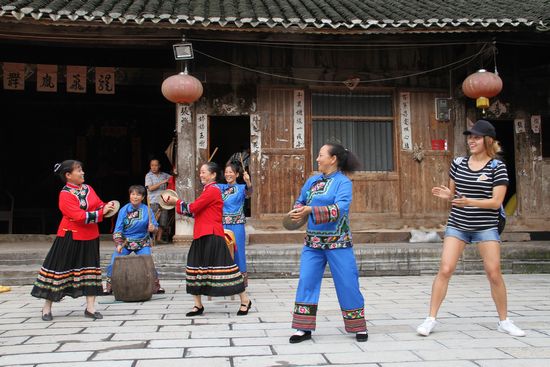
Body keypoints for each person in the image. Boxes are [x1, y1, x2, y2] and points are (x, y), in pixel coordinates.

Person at [416, 119, 525, 337]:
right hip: (458, 224)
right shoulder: (458, 163)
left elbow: (496, 202)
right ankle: (430, 319)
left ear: (488, 140)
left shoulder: (497, 166)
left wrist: (470, 201)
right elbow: (454, 195)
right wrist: (449, 195)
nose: (471, 141)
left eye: (476, 137)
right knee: (445, 269)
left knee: (493, 273)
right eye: (470, 137)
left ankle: (504, 320)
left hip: (485, 226)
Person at [288, 143, 368, 343]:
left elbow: (340, 209)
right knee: (306, 281)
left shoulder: (343, 183)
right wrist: (298, 210)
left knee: (348, 283)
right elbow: (301, 200)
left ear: (333, 159)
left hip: (338, 242)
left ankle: (358, 326)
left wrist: (310, 211)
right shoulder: (312, 181)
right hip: (312, 243)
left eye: (321, 155)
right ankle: (302, 328)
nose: (317, 159)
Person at [161, 162, 252, 317]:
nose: (201, 175)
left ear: (213, 175)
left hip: (213, 234)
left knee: (228, 268)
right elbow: (195, 212)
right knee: (195, 268)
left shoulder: (213, 191)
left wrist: (175, 202)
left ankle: (245, 300)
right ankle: (198, 305)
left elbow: (193, 208)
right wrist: (180, 205)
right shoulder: (210, 190)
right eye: (200, 172)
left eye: (204, 172)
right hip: (202, 233)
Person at [31, 160, 116, 321]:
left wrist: (107, 206)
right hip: (70, 235)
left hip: (90, 235)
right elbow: (77, 216)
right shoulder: (65, 194)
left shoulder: (88, 189)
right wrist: (100, 213)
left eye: (82, 169)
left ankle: (90, 308)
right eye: (79, 170)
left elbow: (98, 205)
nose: (83, 172)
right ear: (68, 175)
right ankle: (46, 307)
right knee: (57, 270)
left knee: (91, 270)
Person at [103, 185, 165, 295]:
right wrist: (118, 243)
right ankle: (109, 286)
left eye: (138, 194)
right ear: (129, 195)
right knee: (114, 261)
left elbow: (155, 228)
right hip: (125, 242)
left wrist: (153, 228)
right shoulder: (123, 210)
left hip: (142, 241)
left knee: (148, 262)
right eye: (133, 194)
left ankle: (155, 286)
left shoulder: (147, 210)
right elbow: (118, 229)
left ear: (143, 197)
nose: (135, 197)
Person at [217, 162, 252, 286]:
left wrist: (248, 182)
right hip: (222, 224)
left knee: (238, 251)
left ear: (237, 174)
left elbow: (250, 193)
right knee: (223, 251)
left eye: (231, 172)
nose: (228, 174)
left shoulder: (242, 188)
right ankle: (224, 280)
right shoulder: (220, 187)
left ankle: (240, 281)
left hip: (237, 224)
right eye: (226, 172)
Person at [145, 158, 171, 244]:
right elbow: (151, 188)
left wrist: (174, 171)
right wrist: (162, 182)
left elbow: (173, 177)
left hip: (164, 201)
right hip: (153, 201)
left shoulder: (164, 175)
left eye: (156, 165)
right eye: (152, 165)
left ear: (159, 166)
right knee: (153, 221)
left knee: (163, 221)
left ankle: (159, 239)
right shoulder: (148, 176)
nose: (154, 167)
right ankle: (152, 239)